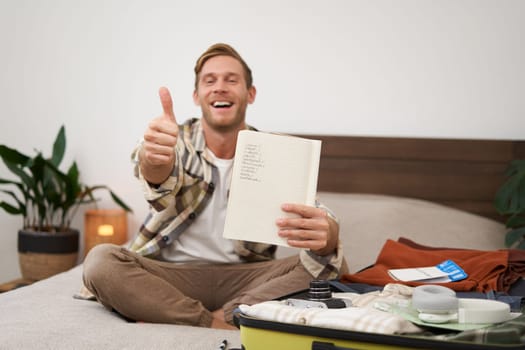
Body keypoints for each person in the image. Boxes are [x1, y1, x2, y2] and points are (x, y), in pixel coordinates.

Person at [83, 43, 347, 329]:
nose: (220, 87)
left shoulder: (276, 150)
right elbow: (153, 175)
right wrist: (154, 160)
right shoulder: (172, 139)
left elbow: (312, 213)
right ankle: (219, 323)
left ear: (250, 93)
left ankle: (192, 315)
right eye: (210, 81)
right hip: (170, 275)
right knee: (101, 262)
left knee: (334, 266)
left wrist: (329, 235)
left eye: (231, 80)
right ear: (197, 96)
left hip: (247, 278)